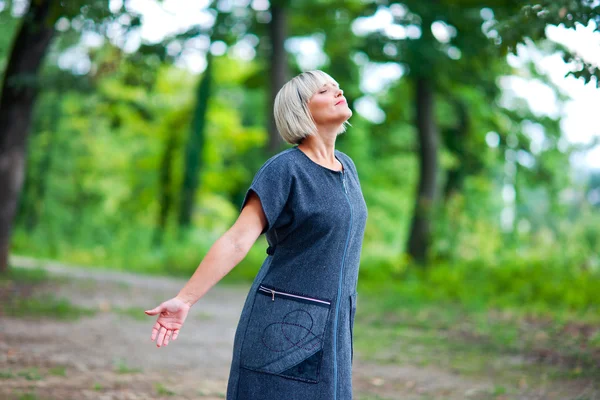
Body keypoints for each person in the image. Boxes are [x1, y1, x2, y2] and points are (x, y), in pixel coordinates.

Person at [145, 70, 368, 400]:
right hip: (286, 326)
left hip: (335, 326)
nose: (337, 91)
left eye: (337, 86)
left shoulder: (347, 167)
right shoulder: (285, 169)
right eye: (324, 90)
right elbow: (237, 240)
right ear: (301, 110)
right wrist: (185, 299)